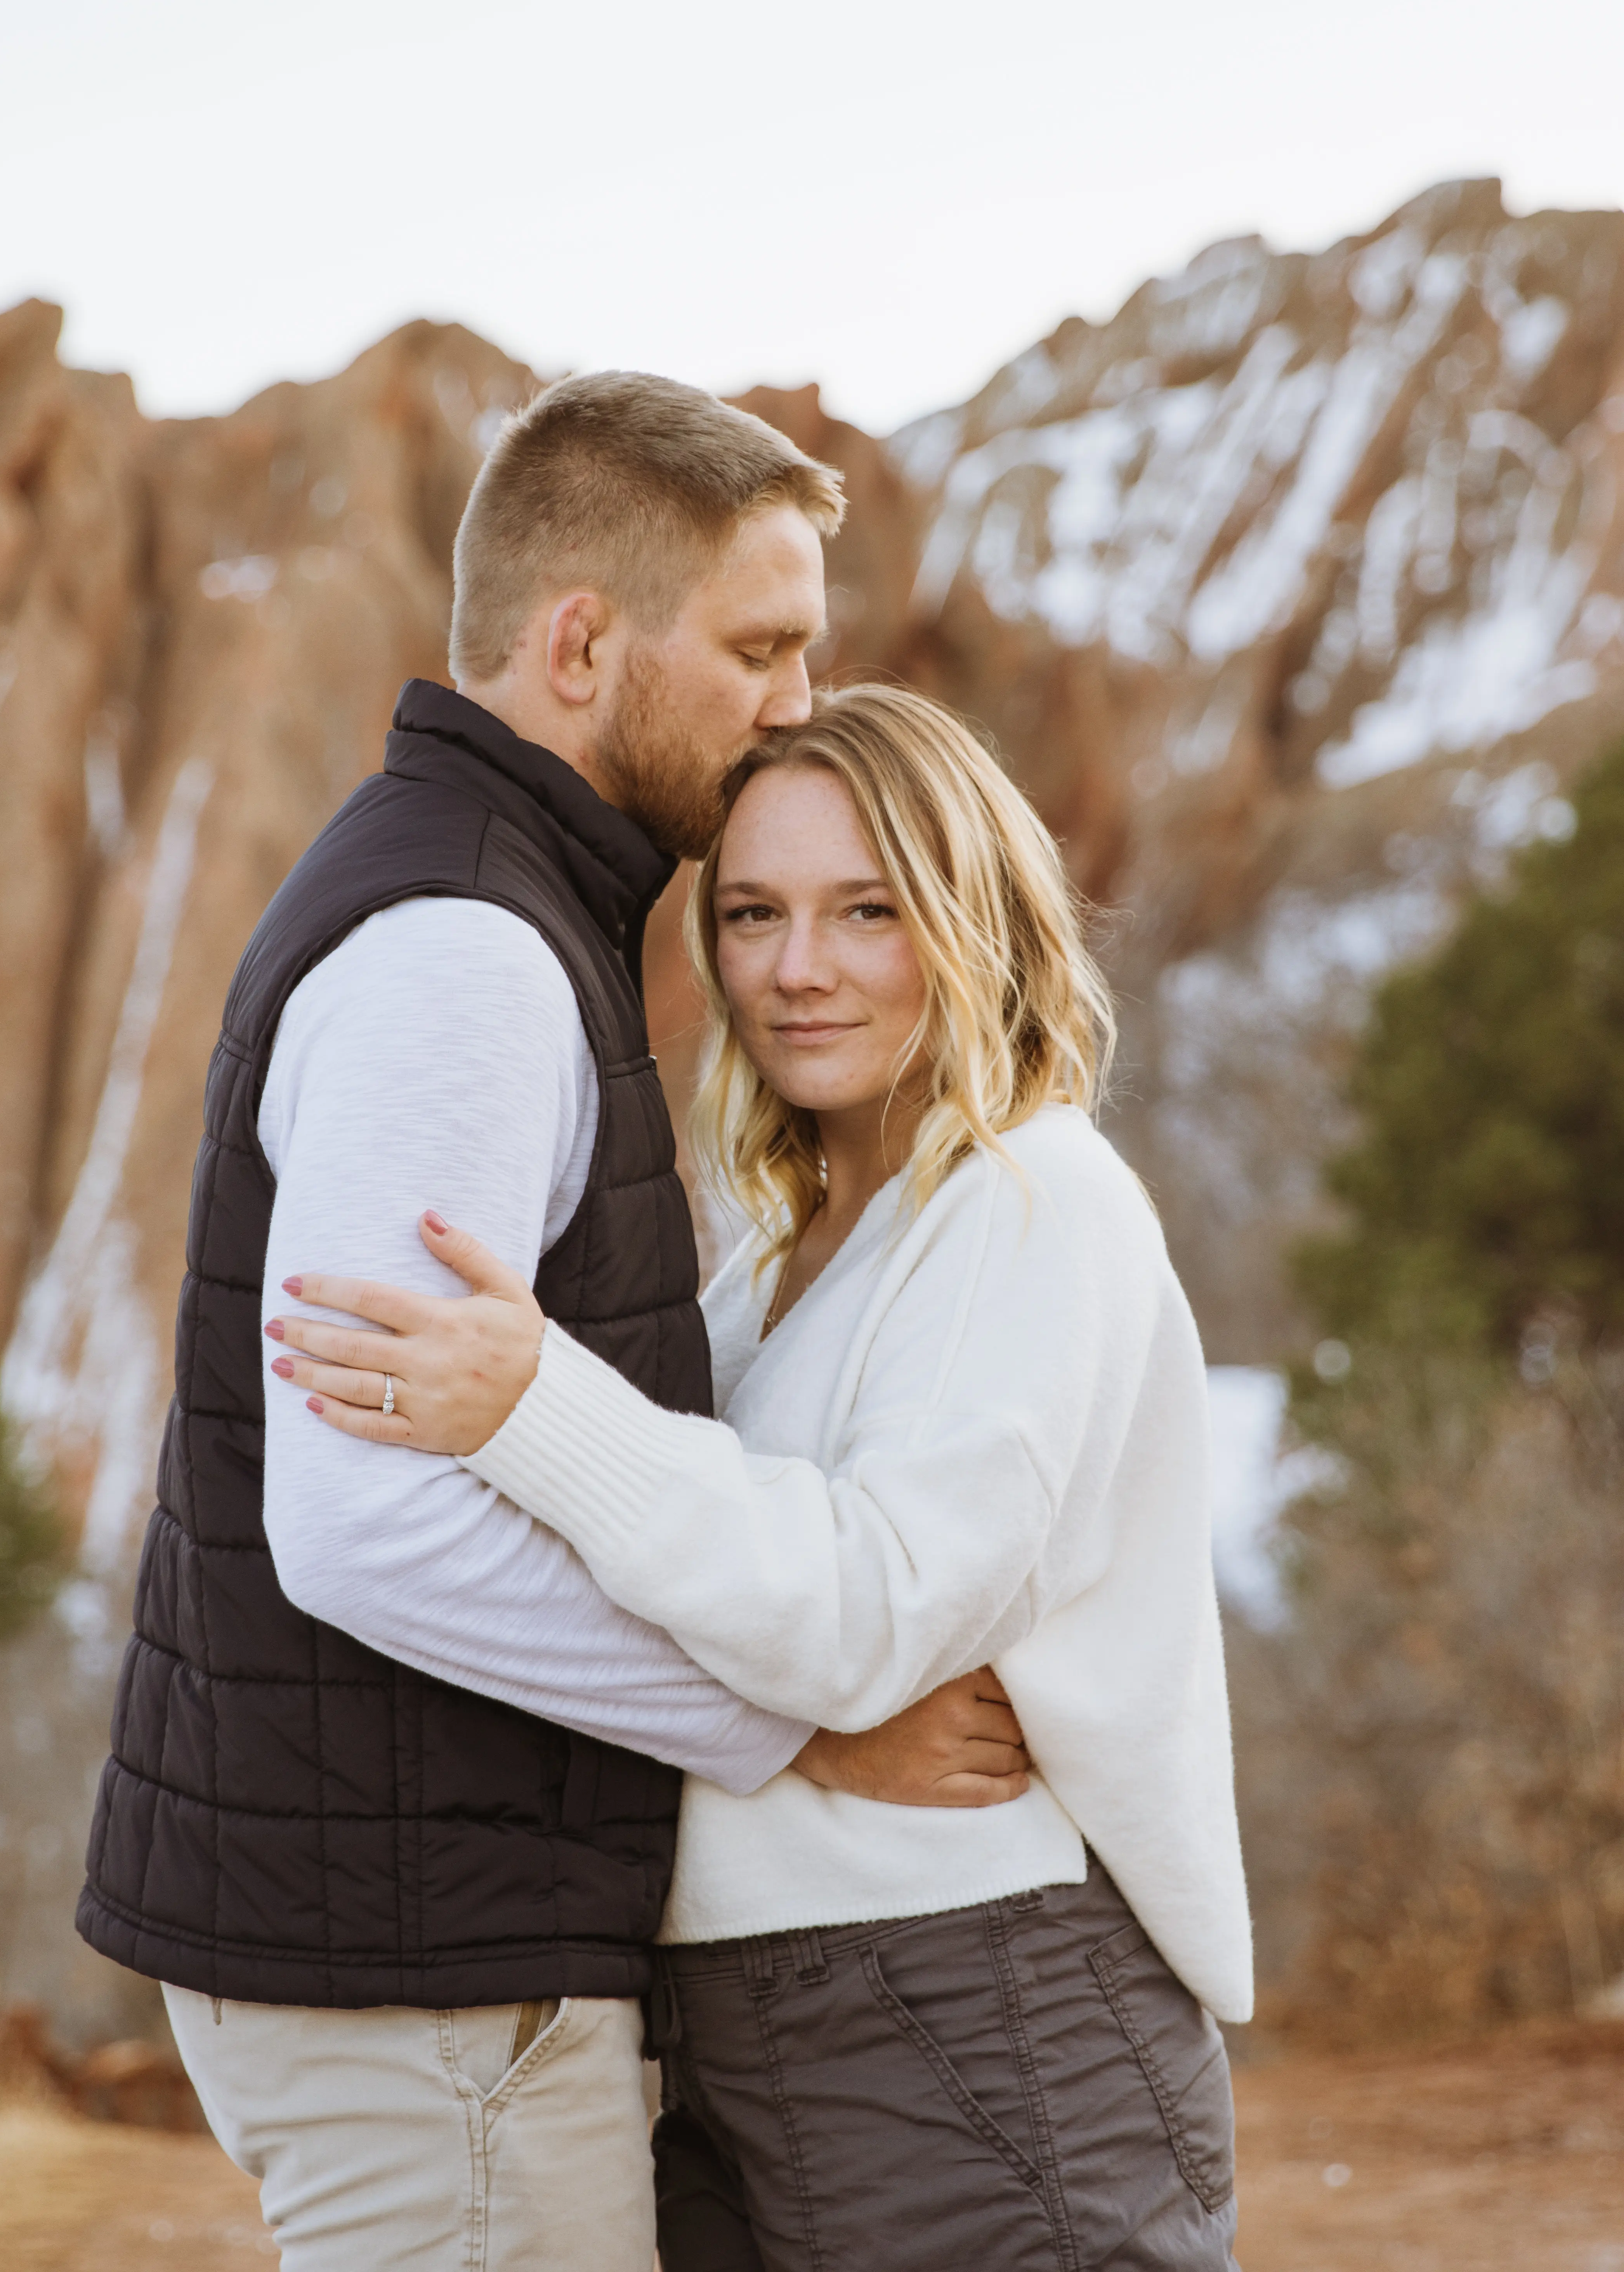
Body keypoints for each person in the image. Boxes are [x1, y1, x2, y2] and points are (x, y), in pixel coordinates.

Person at [77, 378, 1031, 2272]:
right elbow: (365, 1525)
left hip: (416, 1941)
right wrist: (794, 1733)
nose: (792, 700)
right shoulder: (466, 956)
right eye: (758, 646)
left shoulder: (491, 900)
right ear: (581, 640)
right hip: (428, 1977)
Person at [276, 681, 1254, 2271]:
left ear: (969, 917)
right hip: (758, 2022)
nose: (796, 969)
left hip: (969, 2006)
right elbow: (745, 1629)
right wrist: (803, 1742)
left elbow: (866, 1615)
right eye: (750, 914)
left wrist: (536, 1404)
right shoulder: (769, 1270)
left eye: (865, 910)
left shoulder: (1032, 1199)